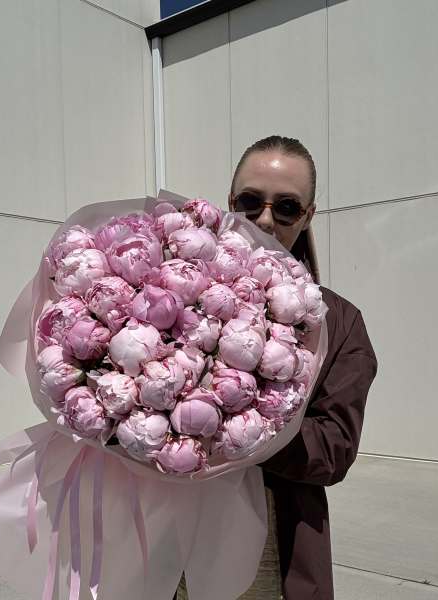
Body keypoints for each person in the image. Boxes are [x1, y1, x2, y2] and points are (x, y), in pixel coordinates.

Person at [175, 135, 378, 600]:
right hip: (163, 535)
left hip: (270, 547)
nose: (265, 219)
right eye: (251, 201)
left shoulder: (338, 322)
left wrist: (234, 428)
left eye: (286, 207)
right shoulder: (171, 288)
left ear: (307, 216)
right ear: (230, 202)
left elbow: (334, 448)